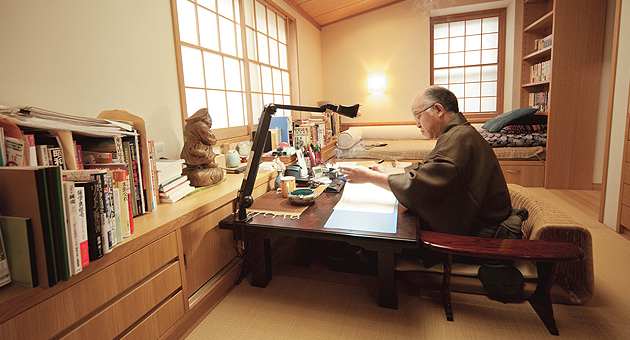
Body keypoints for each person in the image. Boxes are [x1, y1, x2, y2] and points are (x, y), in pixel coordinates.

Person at [339, 85, 512, 237]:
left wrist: (369, 177)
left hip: (481, 230)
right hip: (479, 218)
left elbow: (425, 185)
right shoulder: (458, 133)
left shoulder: (460, 137)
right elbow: (431, 169)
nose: (417, 125)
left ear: (438, 109)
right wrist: (389, 171)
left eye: (418, 116)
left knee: (383, 227)